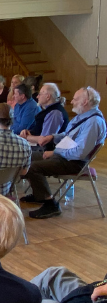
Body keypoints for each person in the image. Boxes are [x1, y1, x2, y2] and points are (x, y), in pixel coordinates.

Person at [22, 86, 106, 219]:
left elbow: (80, 153)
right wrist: (53, 137)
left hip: (74, 162)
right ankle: (39, 193)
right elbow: (68, 135)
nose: (71, 101)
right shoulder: (83, 117)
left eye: (75, 99)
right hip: (65, 156)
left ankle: (50, 205)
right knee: (26, 156)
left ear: (85, 102)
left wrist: (55, 152)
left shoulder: (93, 122)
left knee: (33, 167)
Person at [20, 83, 69, 147]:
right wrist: (28, 132)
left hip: (46, 151)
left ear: (48, 96)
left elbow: (44, 140)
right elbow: (39, 130)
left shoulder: (55, 113)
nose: (37, 97)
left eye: (39, 94)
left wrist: (26, 137)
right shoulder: (48, 110)